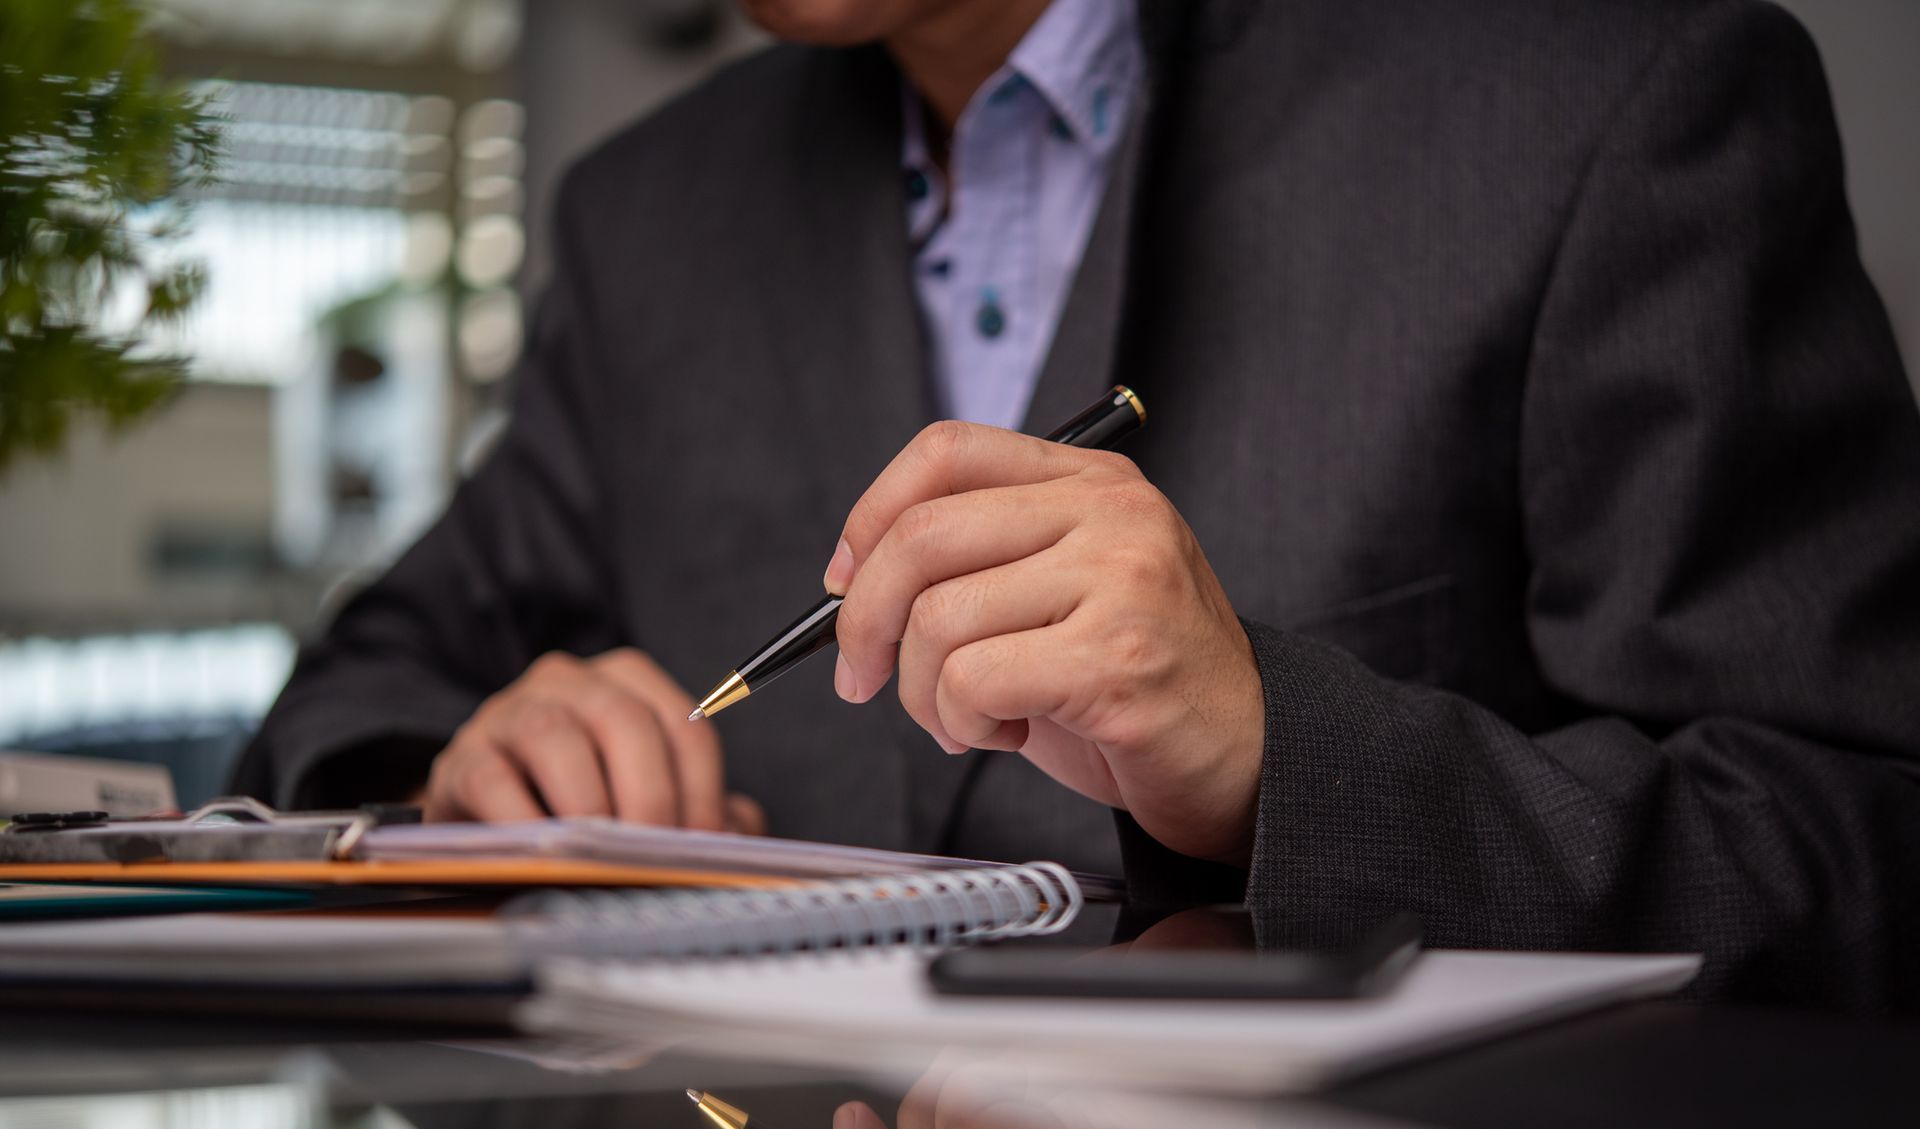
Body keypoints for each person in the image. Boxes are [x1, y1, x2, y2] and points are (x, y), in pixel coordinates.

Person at [234, 0, 1920, 1012]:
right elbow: (351, 694)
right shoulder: (649, 219)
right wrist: (465, 782)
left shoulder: (1602, 100)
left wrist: (1285, 752)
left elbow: (1860, 843)